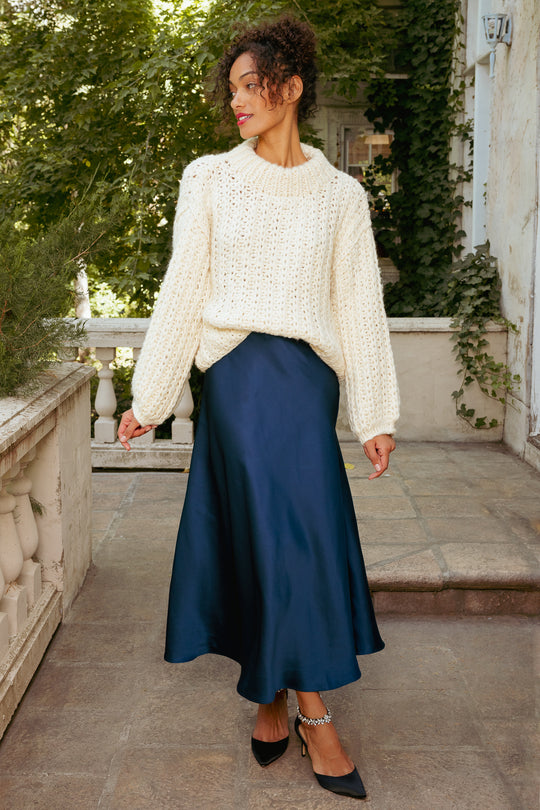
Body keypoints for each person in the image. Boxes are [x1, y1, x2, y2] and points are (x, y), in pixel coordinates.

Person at [118, 15, 399, 801]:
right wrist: (152, 394)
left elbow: (358, 307)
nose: (237, 101)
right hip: (239, 381)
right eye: (232, 89)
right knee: (278, 537)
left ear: (292, 87)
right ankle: (314, 711)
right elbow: (185, 288)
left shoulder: (341, 196)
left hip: (308, 385)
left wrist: (375, 414)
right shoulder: (209, 178)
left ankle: (273, 694)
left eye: (252, 86)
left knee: (290, 535)